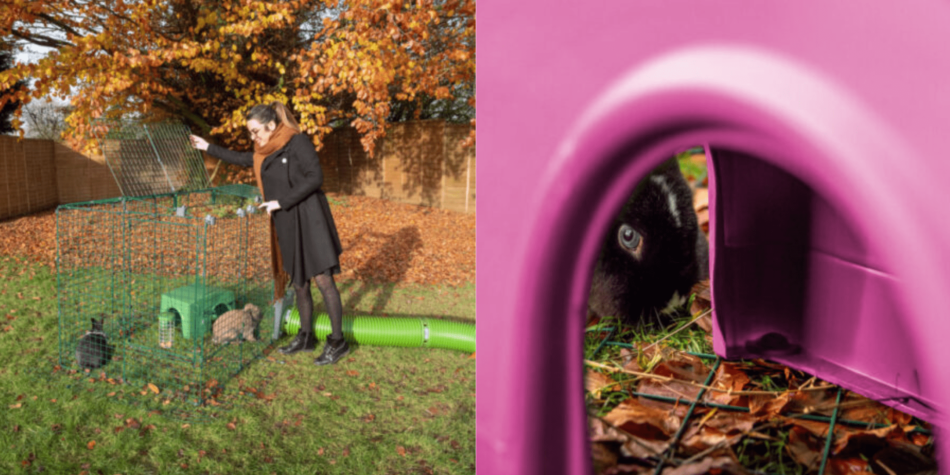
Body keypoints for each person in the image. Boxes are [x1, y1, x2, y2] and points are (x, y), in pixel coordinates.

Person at [189, 102, 349, 366]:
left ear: (271, 125)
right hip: (287, 222)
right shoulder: (263, 152)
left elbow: (315, 177)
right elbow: (242, 158)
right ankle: (306, 336)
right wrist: (208, 148)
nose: (253, 138)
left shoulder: (297, 142)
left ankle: (337, 342)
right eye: (250, 133)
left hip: (310, 219)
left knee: (324, 281)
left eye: (255, 131)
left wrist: (280, 201)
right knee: (299, 282)